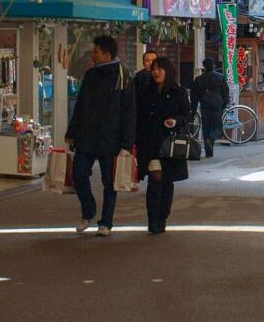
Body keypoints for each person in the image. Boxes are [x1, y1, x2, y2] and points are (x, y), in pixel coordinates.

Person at [65, 35, 135, 238]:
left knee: (109, 181)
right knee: (78, 174)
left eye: (95, 52)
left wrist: (127, 143)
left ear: (106, 54)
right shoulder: (91, 75)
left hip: (111, 137)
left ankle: (106, 222)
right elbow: (80, 105)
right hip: (87, 136)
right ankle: (88, 210)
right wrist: (72, 132)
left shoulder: (123, 76)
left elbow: (129, 112)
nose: (92, 55)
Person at [135, 56, 191, 235]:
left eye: (160, 69)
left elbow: (187, 116)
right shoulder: (145, 91)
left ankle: (162, 216)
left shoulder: (179, 92)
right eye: (153, 69)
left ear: (168, 71)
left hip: (170, 145)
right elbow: (138, 116)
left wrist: (175, 121)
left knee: (166, 182)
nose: (156, 72)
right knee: (155, 179)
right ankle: (153, 219)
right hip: (150, 143)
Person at [190, 58, 229, 158]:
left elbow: (194, 96)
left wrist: (193, 111)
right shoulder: (220, 78)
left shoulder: (199, 79)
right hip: (217, 107)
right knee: (218, 127)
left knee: (206, 128)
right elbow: (225, 93)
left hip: (204, 106)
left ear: (204, 67)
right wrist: (223, 105)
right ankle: (211, 139)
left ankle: (209, 153)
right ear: (214, 65)